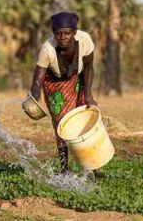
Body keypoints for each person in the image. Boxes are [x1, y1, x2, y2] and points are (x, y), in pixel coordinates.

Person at [30, 11, 102, 177]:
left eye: (67, 33)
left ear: (74, 33)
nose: (62, 37)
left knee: (86, 115)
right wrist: (34, 97)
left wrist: (88, 94)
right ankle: (64, 167)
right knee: (62, 123)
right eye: (58, 33)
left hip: (77, 78)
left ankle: (93, 166)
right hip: (54, 83)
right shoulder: (47, 49)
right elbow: (37, 80)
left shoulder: (84, 41)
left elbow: (89, 68)